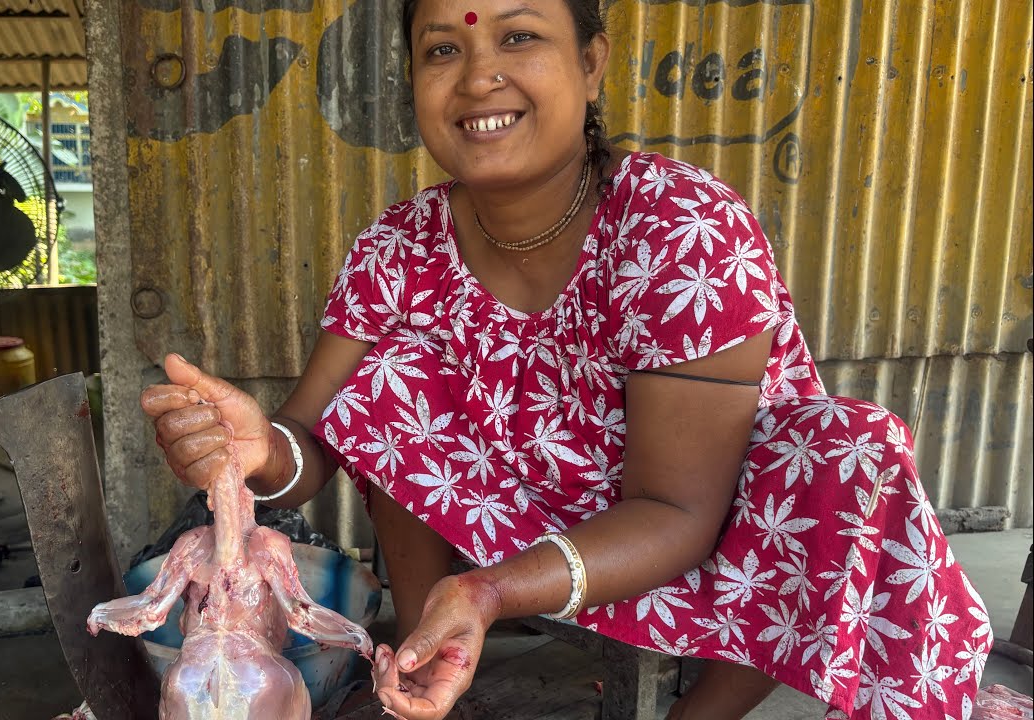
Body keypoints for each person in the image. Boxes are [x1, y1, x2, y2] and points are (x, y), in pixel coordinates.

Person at [141, 1, 994, 718]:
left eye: (518, 37)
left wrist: (490, 591)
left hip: (715, 533)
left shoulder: (682, 227)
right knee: (387, 376)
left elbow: (676, 511)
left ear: (591, 64)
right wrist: (258, 453)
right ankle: (427, 669)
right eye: (444, 49)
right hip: (521, 504)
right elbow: (312, 441)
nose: (478, 76)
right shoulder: (396, 248)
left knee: (855, 454)